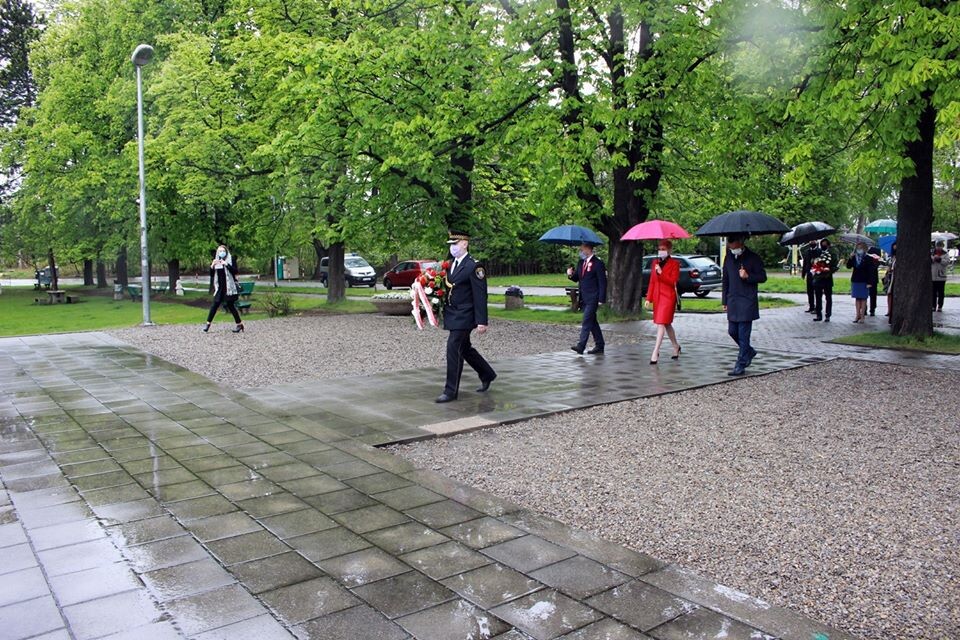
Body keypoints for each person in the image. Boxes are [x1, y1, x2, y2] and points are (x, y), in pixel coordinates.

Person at [436, 231, 496, 403]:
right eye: (451, 244)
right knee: (465, 348)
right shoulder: (450, 264)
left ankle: (450, 391)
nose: (452, 247)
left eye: (455, 244)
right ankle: (487, 374)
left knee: (453, 347)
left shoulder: (474, 266)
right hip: (452, 313)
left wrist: (482, 321)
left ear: (465, 244)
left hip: (466, 315)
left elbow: (480, 295)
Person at [722, 235, 767, 376]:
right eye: (730, 246)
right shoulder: (728, 257)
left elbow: (762, 277)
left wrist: (748, 276)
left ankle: (740, 364)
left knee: (743, 334)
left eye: (733, 246)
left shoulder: (753, 257)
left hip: (747, 301)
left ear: (740, 243)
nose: (731, 248)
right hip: (733, 300)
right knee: (732, 331)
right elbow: (725, 280)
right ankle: (749, 351)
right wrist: (725, 300)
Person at [645, 240, 681, 364]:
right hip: (657, 297)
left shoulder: (675, 264)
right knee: (666, 324)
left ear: (669, 250)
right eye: (659, 248)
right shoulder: (655, 262)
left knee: (661, 323)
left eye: (664, 248)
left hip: (668, 298)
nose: (661, 251)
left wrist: (662, 273)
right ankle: (676, 346)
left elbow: (673, 281)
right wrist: (648, 298)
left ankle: (655, 351)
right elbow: (652, 281)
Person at [567, 242, 607, 354]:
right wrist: (570, 274)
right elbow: (577, 278)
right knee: (592, 322)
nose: (581, 251)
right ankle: (600, 345)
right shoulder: (581, 263)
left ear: (588, 249)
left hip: (594, 297)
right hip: (584, 297)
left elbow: (602, 282)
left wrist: (601, 299)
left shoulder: (598, 263)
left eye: (582, 249)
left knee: (586, 320)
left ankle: (581, 346)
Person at [203, 244, 243, 333]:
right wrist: (212, 266)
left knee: (230, 306)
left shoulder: (231, 259)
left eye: (223, 251)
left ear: (226, 251)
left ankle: (239, 324)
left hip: (229, 287)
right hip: (220, 288)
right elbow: (212, 275)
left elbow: (235, 271)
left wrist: (227, 264)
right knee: (214, 305)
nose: (221, 252)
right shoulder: (216, 261)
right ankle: (208, 324)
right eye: (220, 251)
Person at [846, 242, 878, 323]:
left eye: (860, 248)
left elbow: (870, 271)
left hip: (864, 280)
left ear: (864, 249)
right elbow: (848, 266)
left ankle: (862, 315)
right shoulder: (854, 257)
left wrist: (870, 282)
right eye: (858, 248)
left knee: (863, 299)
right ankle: (857, 315)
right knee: (857, 298)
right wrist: (850, 258)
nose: (859, 250)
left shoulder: (868, 258)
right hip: (856, 280)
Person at [811, 238, 838, 322]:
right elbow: (812, 261)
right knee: (818, 297)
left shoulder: (832, 253)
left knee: (828, 298)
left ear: (828, 245)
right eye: (822, 244)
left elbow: (834, 264)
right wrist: (817, 267)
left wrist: (828, 271)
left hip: (827, 278)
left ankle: (828, 315)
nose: (823, 245)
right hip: (818, 278)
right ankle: (819, 314)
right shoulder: (818, 252)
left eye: (825, 244)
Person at [800, 240, 818, 313]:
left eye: (813, 241)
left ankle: (817, 307)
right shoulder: (807, 251)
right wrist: (803, 273)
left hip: (817, 274)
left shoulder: (819, 251)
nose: (812, 242)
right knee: (809, 291)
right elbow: (805, 263)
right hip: (809, 274)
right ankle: (811, 306)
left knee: (817, 291)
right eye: (810, 241)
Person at [932, 241, 948, 312]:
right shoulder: (932, 253)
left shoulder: (945, 254)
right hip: (933, 276)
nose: (939, 247)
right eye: (938, 246)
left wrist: (939, 259)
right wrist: (932, 259)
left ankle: (940, 306)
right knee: (933, 292)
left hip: (941, 276)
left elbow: (946, 262)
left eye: (940, 246)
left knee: (941, 292)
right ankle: (933, 306)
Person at [866, 245, 883, 315]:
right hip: (864, 275)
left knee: (873, 293)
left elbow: (878, 262)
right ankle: (864, 309)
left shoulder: (876, 250)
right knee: (864, 293)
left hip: (873, 275)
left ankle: (872, 309)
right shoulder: (863, 249)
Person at [884, 242, 896, 320]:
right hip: (890, 277)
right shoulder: (890, 258)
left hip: (895, 278)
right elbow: (888, 265)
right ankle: (889, 310)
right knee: (889, 294)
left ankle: (892, 310)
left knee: (892, 294)